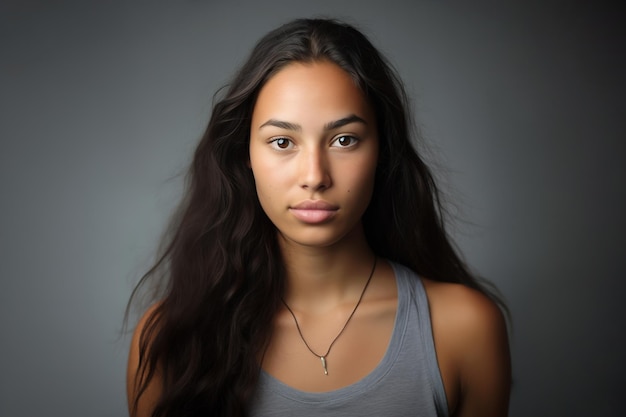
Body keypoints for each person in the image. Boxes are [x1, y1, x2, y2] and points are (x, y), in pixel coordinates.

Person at [126, 18, 511, 417]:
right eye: (282, 142)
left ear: (382, 151)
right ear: (246, 154)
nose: (314, 176)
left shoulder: (463, 328)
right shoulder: (170, 339)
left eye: (344, 140)